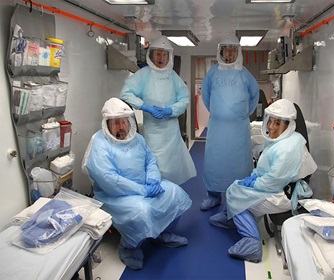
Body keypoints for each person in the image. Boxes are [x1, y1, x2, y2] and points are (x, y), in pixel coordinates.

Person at [83, 98, 192, 270]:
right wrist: (142, 189)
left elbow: (150, 161)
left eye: (124, 122)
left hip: (145, 186)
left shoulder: (137, 139)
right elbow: (110, 180)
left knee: (175, 193)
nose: (121, 127)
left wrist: (154, 179)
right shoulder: (100, 143)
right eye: (116, 123)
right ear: (107, 124)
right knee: (141, 211)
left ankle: (162, 233)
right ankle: (129, 247)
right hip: (116, 195)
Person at [209, 99, 317, 262]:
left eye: (277, 123)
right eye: (271, 122)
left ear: (288, 124)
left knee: (237, 196)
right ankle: (231, 218)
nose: (272, 127)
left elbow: (273, 182)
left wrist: (254, 183)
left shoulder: (289, 148)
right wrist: (253, 177)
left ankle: (252, 244)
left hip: (284, 195)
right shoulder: (283, 140)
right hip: (277, 188)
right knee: (235, 188)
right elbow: (268, 171)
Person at [120, 35, 196, 186]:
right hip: (152, 131)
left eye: (164, 54)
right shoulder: (144, 75)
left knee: (172, 163)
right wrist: (145, 107)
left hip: (171, 131)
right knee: (154, 162)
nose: (160, 58)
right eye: (158, 54)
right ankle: (155, 188)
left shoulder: (173, 76)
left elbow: (185, 98)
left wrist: (170, 110)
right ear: (152, 55)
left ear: (169, 56)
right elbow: (126, 93)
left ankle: (171, 194)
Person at [200, 34, 259, 211]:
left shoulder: (245, 74)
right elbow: (206, 95)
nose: (230, 54)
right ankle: (214, 196)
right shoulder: (213, 73)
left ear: (238, 52)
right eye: (227, 50)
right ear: (222, 52)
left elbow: (254, 97)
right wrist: (219, 113)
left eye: (233, 50)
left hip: (238, 130)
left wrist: (239, 115)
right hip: (217, 129)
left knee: (238, 164)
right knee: (214, 162)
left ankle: (238, 197)